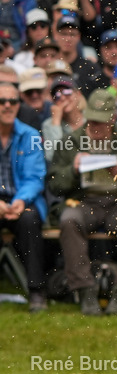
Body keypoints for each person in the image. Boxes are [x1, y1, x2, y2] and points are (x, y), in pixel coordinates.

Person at [50, 90, 117, 316]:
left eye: (101, 121)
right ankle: (85, 290)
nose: (96, 126)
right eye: (92, 120)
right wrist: (73, 170)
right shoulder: (71, 141)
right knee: (69, 220)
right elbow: (54, 185)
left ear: (113, 119)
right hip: (83, 201)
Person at [0, 81, 47, 313]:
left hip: (22, 201)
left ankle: (37, 291)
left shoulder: (30, 135)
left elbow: (36, 176)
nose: (7, 106)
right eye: (2, 101)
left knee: (30, 219)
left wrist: (20, 201)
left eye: (13, 101)